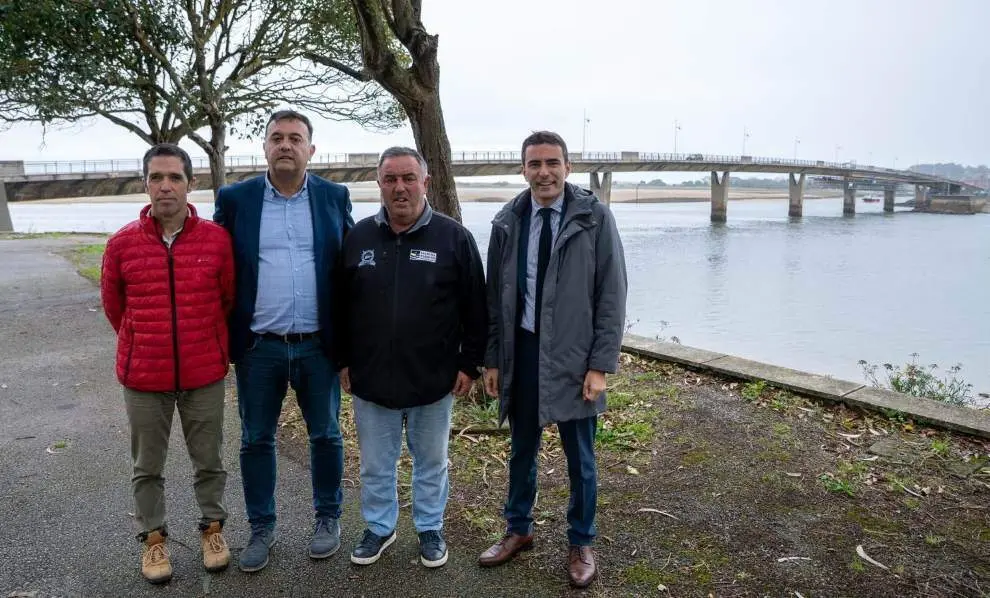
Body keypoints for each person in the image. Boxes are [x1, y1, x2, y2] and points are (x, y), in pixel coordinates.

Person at [479, 131, 627, 587]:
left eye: (552, 163)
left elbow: (612, 293)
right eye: (534, 164)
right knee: (522, 448)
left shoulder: (594, 218)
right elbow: (494, 298)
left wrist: (600, 364)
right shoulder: (508, 220)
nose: (543, 172)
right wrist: (492, 358)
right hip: (521, 352)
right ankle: (518, 529)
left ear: (567, 167)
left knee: (580, 457)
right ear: (523, 169)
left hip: (574, 357)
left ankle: (581, 539)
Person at [213, 110, 353, 572]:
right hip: (259, 347)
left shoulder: (334, 196)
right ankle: (261, 528)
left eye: (296, 138)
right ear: (265, 148)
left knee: (327, 435)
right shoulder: (236, 199)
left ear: (311, 149)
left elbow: (348, 271)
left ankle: (328, 519)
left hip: (317, 346)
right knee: (255, 439)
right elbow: (219, 269)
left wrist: (351, 344)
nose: (286, 145)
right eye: (278, 138)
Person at [335, 147, 487, 568]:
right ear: (379, 183)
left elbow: (477, 307)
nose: (399, 187)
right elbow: (339, 306)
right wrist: (342, 360)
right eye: (390, 179)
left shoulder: (454, 237)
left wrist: (468, 364)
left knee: (432, 462)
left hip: (434, 378)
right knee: (376, 465)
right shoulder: (358, 237)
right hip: (371, 378)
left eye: (408, 178)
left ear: (426, 182)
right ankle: (380, 528)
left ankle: (429, 527)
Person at [100, 143, 235, 584]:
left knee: (209, 460)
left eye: (174, 177)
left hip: (203, 373)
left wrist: (207, 343)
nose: (165, 186)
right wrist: (146, 342)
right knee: (147, 466)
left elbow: (228, 300)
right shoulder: (121, 244)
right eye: (156, 178)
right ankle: (154, 540)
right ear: (145, 184)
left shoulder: (217, 241)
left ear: (190, 184)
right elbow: (115, 308)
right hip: (144, 375)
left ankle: (212, 530)